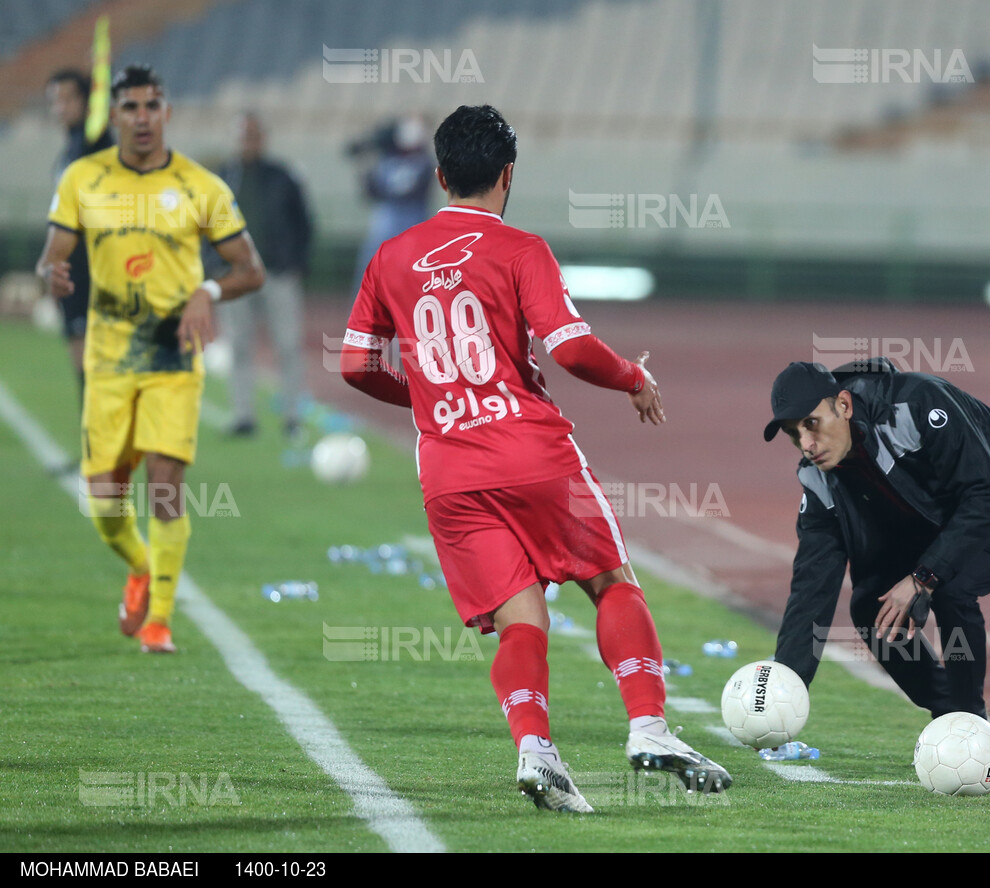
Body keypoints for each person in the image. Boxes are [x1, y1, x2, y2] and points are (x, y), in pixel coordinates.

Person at [339, 104, 731, 813]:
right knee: (612, 580)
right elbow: (573, 349)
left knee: (523, 619)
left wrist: (429, 399)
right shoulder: (521, 249)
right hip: (532, 453)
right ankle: (648, 725)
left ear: (439, 175)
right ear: (508, 175)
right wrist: (635, 378)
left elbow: (354, 365)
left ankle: (535, 748)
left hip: (449, 473)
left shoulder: (390, 257)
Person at [36, 65, 265, 654]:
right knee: (105, 500)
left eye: (152, 105)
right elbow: (52, 253)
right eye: (131, 107)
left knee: (165, 485)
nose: (142, 117)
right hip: (109, 359)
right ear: (113, 116)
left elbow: (250, 269)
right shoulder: (82, 178)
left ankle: (159, 620)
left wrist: (206, 292)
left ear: (167, 113)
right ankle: (139, 565)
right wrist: (51, 272)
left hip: (172, 358)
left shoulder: (201, 186)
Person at [763, 359, 990, 720]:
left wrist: (923, 577)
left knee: (951, 586)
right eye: (794, 434)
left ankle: (969, 719)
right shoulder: (818, 476)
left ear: (843, 405)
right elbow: (812, 583)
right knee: (871, 606)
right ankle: (948, 716)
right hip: (935, 524)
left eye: (812, 424)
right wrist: (784, 690)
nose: (806, 444)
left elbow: (986, 494)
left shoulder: (916, 404)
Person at [214, 112, 312, 437]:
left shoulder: (282, 176)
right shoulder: (221, 178)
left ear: (263, 138)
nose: (248, 142)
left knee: (288, 344)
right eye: (243, 136)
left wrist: (295, 262)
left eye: (253, 135)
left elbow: (304, 222)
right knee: (238, 345)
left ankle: (293, 416)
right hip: (236, 274)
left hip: (277, 272)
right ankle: (244, 416)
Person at [46, 68, 114, 407]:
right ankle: (96, 452)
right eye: (55, 101)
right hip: (71, 265)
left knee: (95, 361)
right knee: (80, 359)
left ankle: (106, 451)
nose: (60, 107)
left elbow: (101, 118)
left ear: (88, 104)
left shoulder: (94, 140)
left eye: (68, 99)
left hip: (94, 264)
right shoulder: (70, 147)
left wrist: (100, 71)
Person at [349, 114, 434, 297]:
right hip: (383, 228)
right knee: (370, 277)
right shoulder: (387, 160)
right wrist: (364, 165)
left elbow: (408, 190)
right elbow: (372, 194)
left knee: (412, 281)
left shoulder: (424, 162)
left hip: (412, 229)